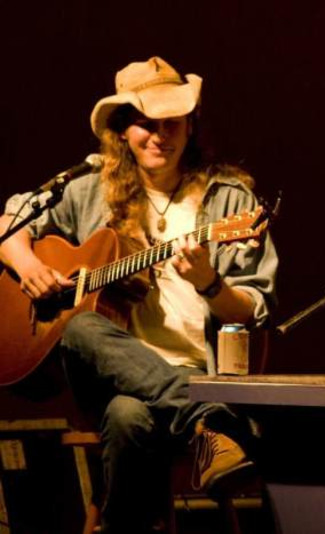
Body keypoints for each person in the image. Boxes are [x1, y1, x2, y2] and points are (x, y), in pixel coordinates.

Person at [0, 57, 278, 534]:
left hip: (195, 371)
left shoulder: (230, 202)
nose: (159, 136)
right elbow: (8, 224)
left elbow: (253, 310)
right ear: (122, 132)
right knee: (83, 325)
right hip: (108, 372)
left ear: (190, 127)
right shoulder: (89, 191)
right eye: (146, 124)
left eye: (172, 123)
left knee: (128, 419)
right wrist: (28, 266)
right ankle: (209, 422)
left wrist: (209, 282)